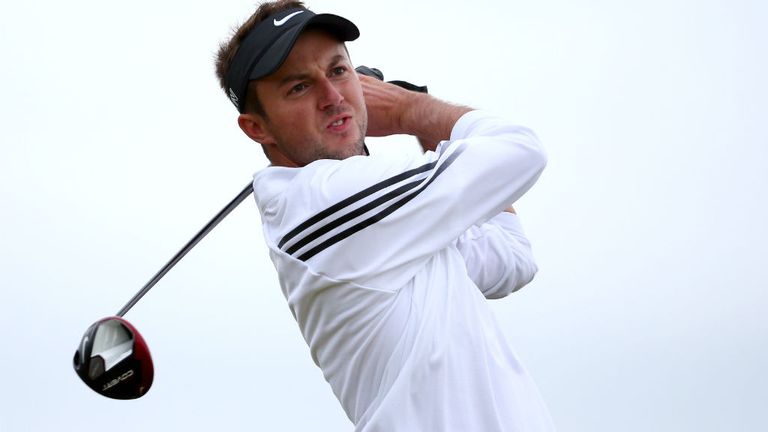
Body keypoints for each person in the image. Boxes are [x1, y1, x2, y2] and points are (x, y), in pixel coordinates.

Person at [214, 1, 555, 430]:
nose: (333, 97)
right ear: (256, 128)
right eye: (299, 87)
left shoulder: (382, 225)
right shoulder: (323, 199)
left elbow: (509, 258)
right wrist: (407, 109)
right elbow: (518, 151)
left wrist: (423, 122)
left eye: (338, 71)